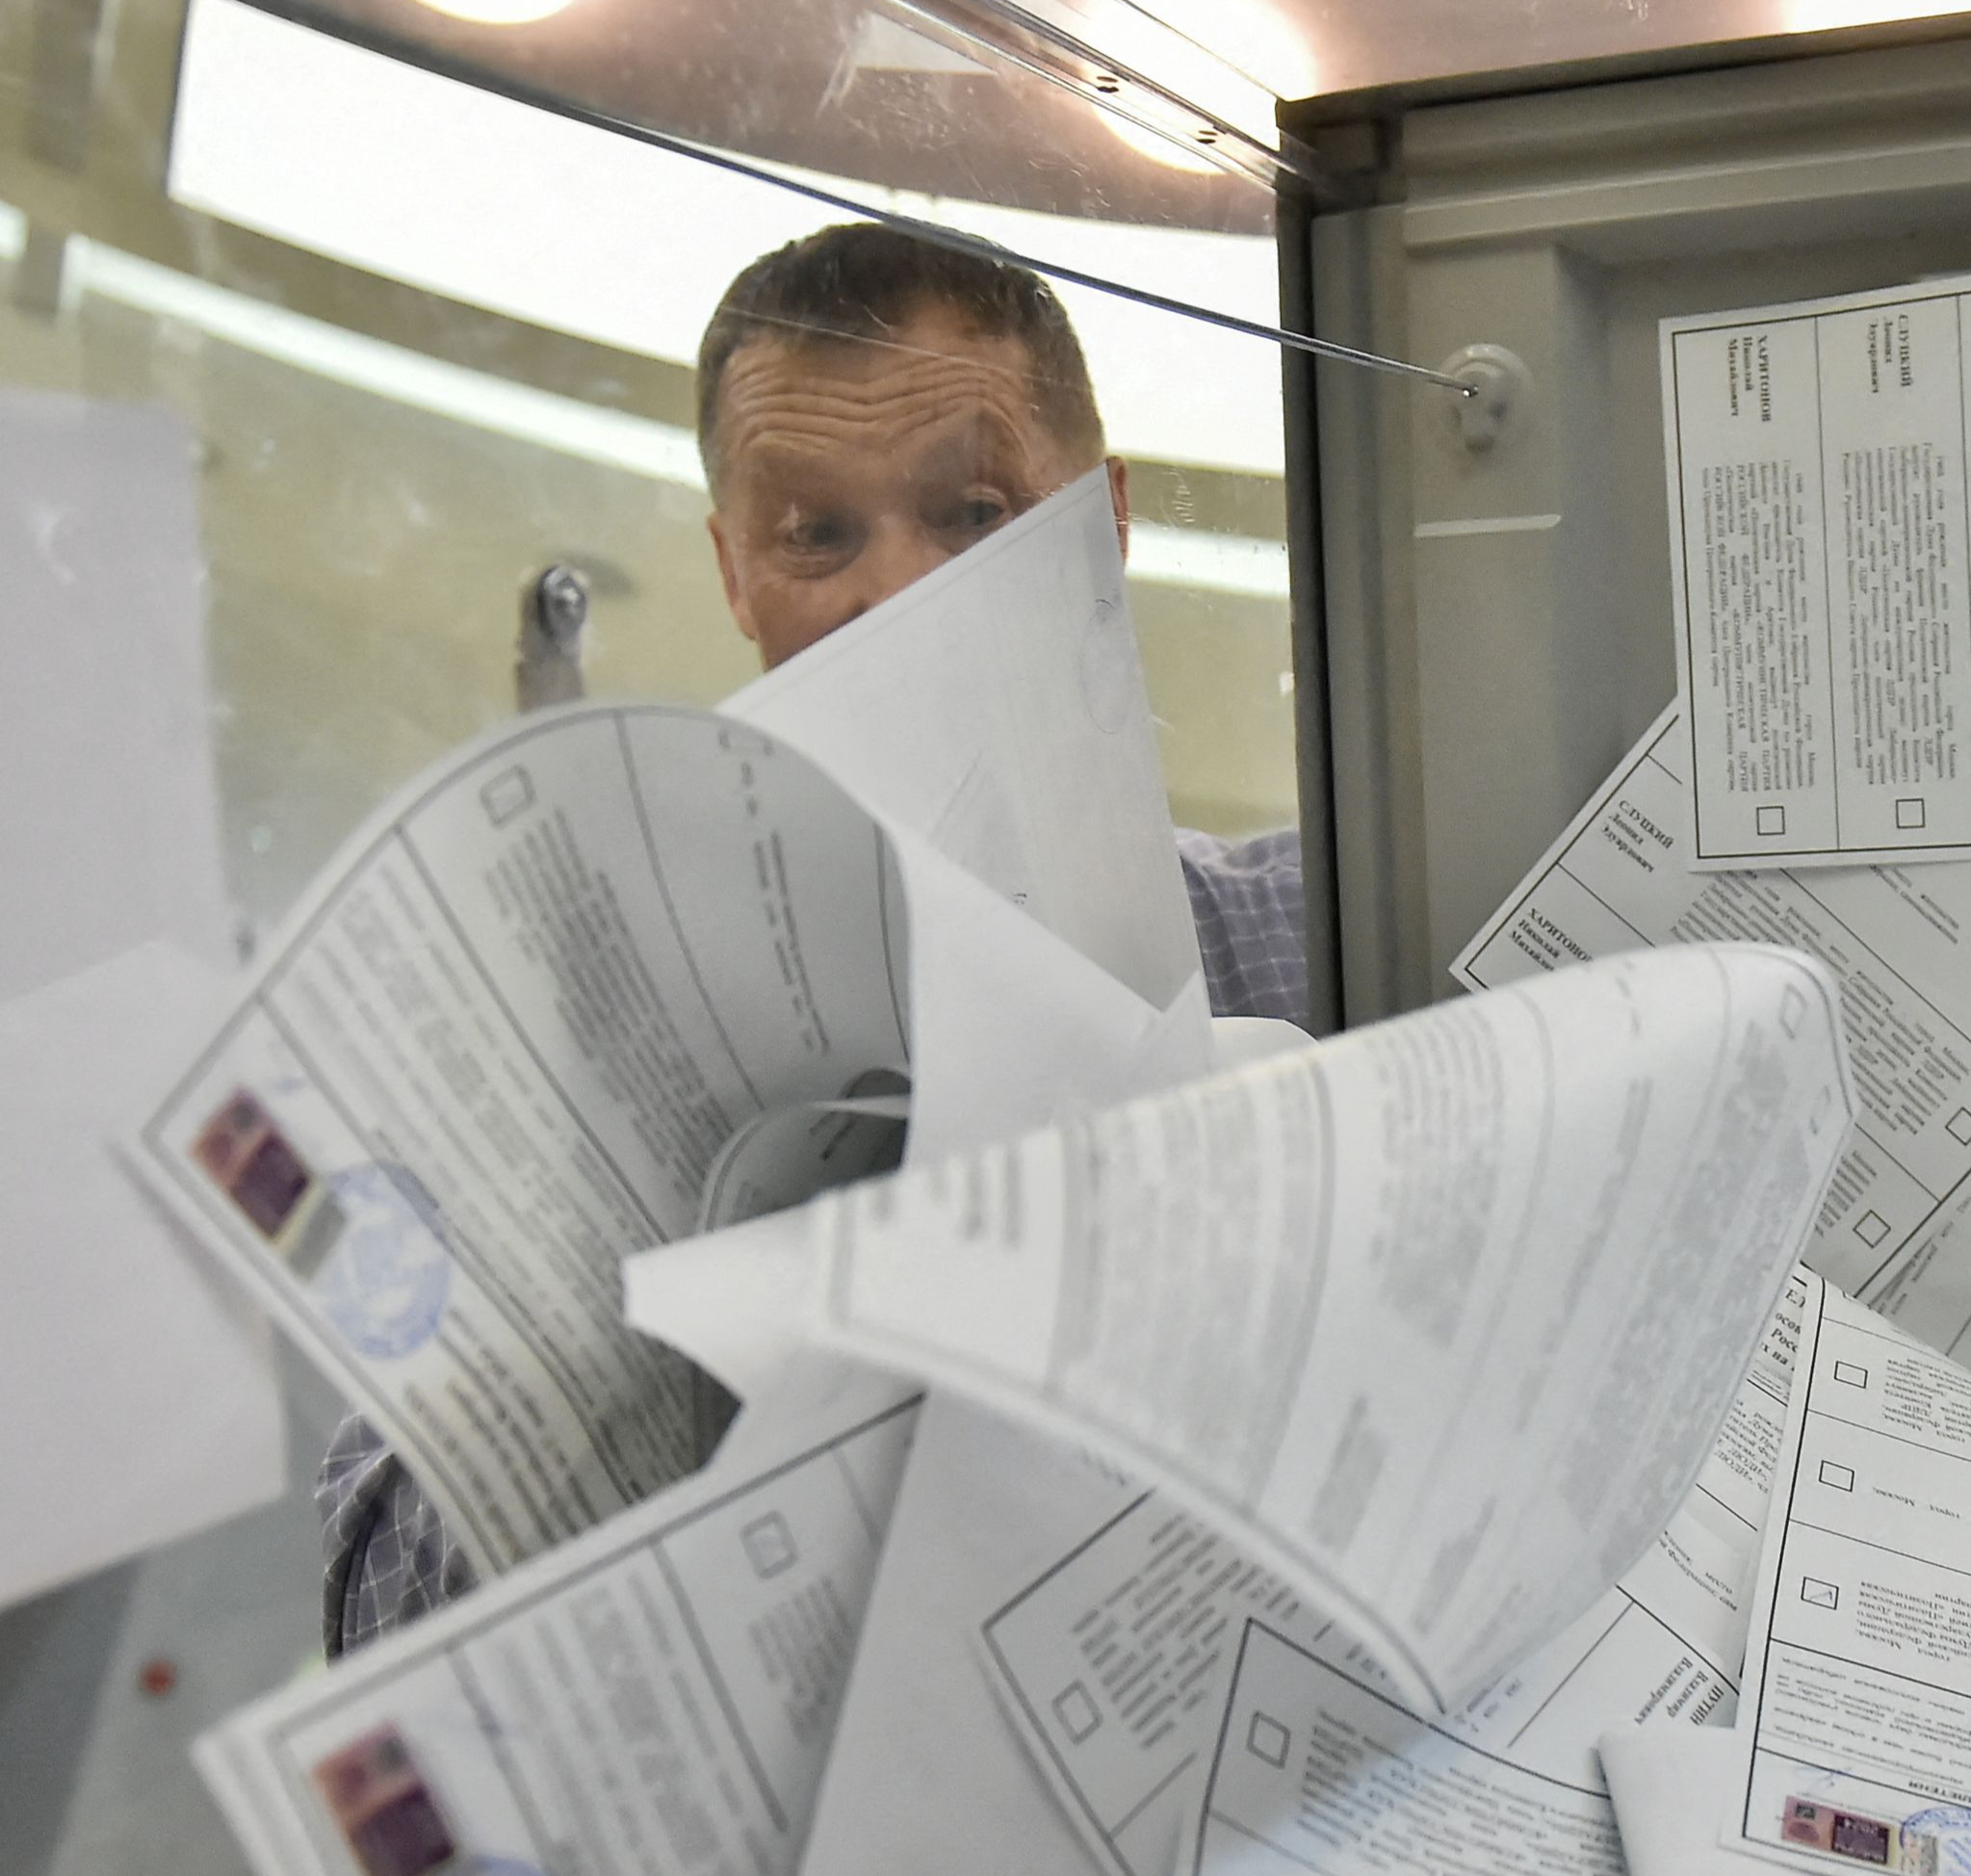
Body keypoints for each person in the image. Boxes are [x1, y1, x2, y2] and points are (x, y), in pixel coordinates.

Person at [316, 223, 1310, 1651]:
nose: (898, 593)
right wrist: (658, 1252)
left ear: (1104, 521)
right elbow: (381, 1608)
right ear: (734, 574)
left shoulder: (1310, 933)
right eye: (818, 535)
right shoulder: (547, 1047)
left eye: (972, 511)